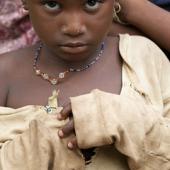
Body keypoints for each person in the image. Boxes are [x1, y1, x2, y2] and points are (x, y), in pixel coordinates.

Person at [0, 0, 170, 170]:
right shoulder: (4, 74)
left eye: (91, 3)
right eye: (52, 4)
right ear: (25, 2)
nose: (74, 27)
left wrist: (122, 119)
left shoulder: (142, 58)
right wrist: (41, 144)